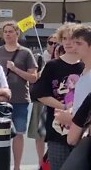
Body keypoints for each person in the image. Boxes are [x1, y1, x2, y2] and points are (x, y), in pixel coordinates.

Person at [31, 23, 84, 170]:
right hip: (57, 130)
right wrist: (64, 107)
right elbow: (39, 93)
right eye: (64, 38)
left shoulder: (86, 66)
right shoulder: (52, 65)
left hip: (82, 131)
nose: (67, 42)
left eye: (71, 38)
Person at [0, 21, 38, 170]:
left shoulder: (26, 52)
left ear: (17, 33)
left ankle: (17, 166)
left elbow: (33, 77)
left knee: (18, 133)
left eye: (11, 31)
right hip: (0, 99)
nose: (8, 34)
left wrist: (15, 69)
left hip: (20, 99)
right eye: (5, 31)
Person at [27, 34, 58, 165]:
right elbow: (34, 78)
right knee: (39, 134)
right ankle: (41, 162)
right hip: (41, 101)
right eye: (51, 43)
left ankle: (50, 160)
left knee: (55, 133)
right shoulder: (40, 58)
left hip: (57, 101)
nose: (54, 46)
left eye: (56, 43)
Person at [54, 25, 91, 131]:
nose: (74, 47)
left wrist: (70, 119)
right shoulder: (84, 71)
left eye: (78, 43)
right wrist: (70, 111)